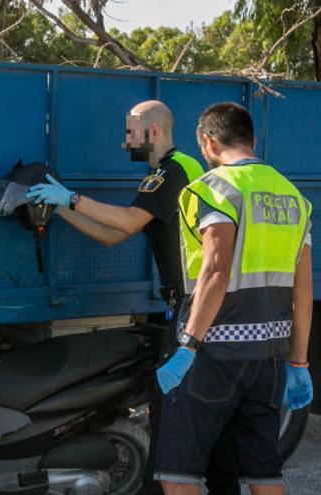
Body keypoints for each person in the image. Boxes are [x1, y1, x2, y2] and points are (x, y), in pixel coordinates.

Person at [26, 100, 239, 495]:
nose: (126, 142)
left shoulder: (173, 171)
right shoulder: (179, 169)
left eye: (130, 132)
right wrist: (59, 211)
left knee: (170, 416)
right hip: (193, 305)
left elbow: (124, 221)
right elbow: (114, 236)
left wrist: (70, 198)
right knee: (194, 414)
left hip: (193, 308)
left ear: (152, 131)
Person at [154, 102, 314, 495]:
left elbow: (215, 271)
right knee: (264, 472)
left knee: (179, 473)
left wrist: (188, 346)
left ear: (208, 142)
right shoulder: (293, 196)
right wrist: (299, 361)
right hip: (270, 359)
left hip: (214, 353)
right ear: (252, 139)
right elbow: (304, 289)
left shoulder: (210, 189)